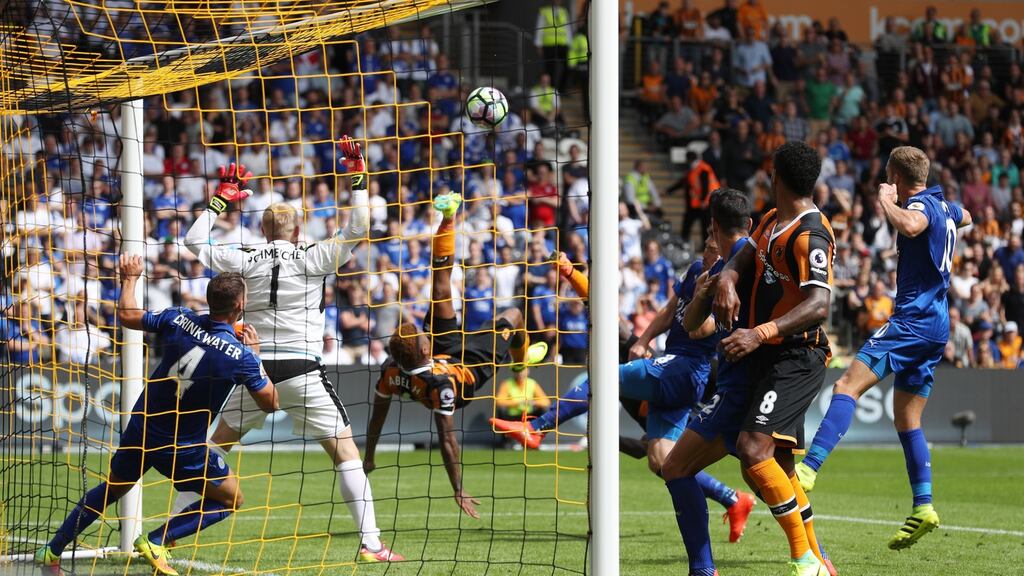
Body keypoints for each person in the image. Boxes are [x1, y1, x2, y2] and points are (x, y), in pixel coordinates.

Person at [178, 139, 402, 562]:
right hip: (302, 370)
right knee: (346, 453)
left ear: (263, 231)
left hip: (254, 369)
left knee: (213, 449)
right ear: (297, 231)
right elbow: (358, 228)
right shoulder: (315, 256)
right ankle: (371, 545)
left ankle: (169, 533)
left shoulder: (244, 258)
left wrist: (220, 202)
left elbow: (192, 240)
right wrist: (356, 176)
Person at [490, 248, 756, 542]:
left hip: (670, 376)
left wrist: (699, 298)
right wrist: (644, 338)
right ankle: (732, 498)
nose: (707, 246)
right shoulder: (694, 272)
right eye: (706, 239)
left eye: (713, 240)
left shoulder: (621, 334)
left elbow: (691, 329)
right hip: (649, 388)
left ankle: (535, 428)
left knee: (601, 380)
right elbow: (664, 310)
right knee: (662, 462)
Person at [35, 256, 279, 575]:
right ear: (240, 304)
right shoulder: (241, 357)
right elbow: (270, 403)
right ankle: (157, 539)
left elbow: (128, 315)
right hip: (182, 446)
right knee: (231, 499)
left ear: (209, 298)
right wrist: (256, 356)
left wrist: (130, 278)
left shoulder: (178, 318)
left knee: (112, 488)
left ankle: (52, 551)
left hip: (142, 427)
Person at [796, 146, 973, 551]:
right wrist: (952, 217)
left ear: (895, 176)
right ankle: (923, 506)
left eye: (887, 175)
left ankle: (809, 469)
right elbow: (969, 216)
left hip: (912, 321)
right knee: (907, 421)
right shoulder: (945, 208)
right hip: (937, 325)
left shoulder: (922, 208)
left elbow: (912, 226)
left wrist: (886, 201)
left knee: (845, 387)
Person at [662, 186, 836, 576]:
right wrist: (706, 292)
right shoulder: (738, 263)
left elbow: (695, 330)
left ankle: (705, 569)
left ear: (712, 227)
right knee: (781, 474)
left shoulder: (751, 261)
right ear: (752, 224)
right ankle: (819, 560)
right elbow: (693, 324)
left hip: (743, 389)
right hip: (758, 380)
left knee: (675, 467)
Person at [366, 192, 548, 519]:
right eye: (419, 332)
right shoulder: (441, 388)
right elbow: (448, 440)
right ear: (422, 346)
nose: (420, 327)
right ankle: (519, 361)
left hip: (441, 352)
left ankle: (448, 219)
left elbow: (378, 415)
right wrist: (458, 488)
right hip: (467, 369)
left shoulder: (392, 368)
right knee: (514, 316)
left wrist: (368, 455)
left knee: (439, 288)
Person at [711, 141, 834, 576]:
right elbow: (747, 251)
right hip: (769, 355)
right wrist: (728, 275)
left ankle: (804, 559)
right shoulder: (771, 219)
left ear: (774, 176)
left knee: (752, 450)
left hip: (798, 356)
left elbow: (819, 305)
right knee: (775, 465)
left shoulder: (810, 234)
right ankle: (820, 560)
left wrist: (758, 333)